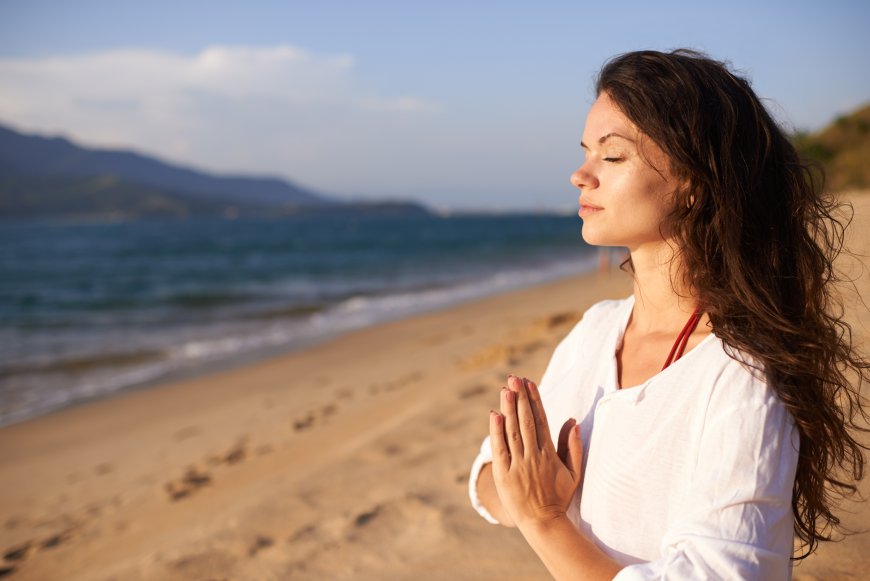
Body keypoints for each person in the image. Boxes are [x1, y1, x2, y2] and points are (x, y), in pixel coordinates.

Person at [468, 49, 869, 580]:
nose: (579, 175)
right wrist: (528, 491)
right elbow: (487, 481)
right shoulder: (598, 329)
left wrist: (544, 518)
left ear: (696, 181)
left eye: (611, 158)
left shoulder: (740, 371)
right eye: (586, 152)